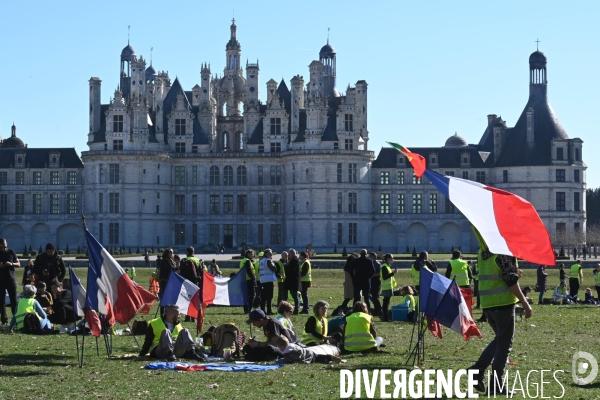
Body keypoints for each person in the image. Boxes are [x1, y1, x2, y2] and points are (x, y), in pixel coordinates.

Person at [467, 229, 532, 396]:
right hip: (503, 304)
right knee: (504, 345)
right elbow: (510, 281)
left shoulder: (484, 252)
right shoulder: (503, 252)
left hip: (488, 305)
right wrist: (525, 302)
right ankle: (494, 384)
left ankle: (477, 371)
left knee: (499, 341)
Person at [138, 304, 205, 361]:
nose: (180, 316)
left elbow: (183, 340)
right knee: (166, 331)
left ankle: (192, 352)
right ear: (172, 314)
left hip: (175, 350)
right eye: (178, 314)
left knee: (185, 330)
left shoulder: (178, 324)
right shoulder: (154, 323)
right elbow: (148, 341)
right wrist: (142, 353)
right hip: (161, 350)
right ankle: (169, 353)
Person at [275, 335, 341, 364]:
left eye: (279, 347)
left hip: (307, 357)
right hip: (309, 352)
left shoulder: (288, 352)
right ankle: (330, 357)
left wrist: (279, 360)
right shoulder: (293, 345)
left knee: (317, 359)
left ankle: (327, 359)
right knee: (319, 356)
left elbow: (288, 360)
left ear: (282, 346)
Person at [0, 238, 19, 325]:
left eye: (4, 245)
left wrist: (11, 264)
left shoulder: (11, 252)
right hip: (1, 279)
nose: (3, 247)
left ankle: (15, 319)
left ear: (6, 243)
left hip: (10, 278)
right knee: (1, 301)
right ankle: (4, 321)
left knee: (13, 300)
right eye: (1, 246)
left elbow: (18, 264)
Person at [158, 248, 177, 316]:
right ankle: (163, 312)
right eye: (171, 253)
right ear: (167, 253)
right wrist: (179, 266)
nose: (172, 254)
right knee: (164, 297)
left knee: (167, 297)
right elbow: (172, 268)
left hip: (168, 280)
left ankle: (166, 311)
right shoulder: (165, 260)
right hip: (164, 281)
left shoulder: (169, 260)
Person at [259, 249, 279, 314]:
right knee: (269, 297)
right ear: (266, 254)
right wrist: (274, 265)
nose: (271, 255)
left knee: (263, 297)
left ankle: (262, 310)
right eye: (270, 254)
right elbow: (274, 268)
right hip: (268, 280)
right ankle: (269, 310)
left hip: (263, 280)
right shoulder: (268, 261)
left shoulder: (261, 261)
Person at [380, 253, 398, 322]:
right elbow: (384, 277)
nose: (393, 259)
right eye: (392, 258)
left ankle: (386, 316)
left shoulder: (387, 266)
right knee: (386, 303)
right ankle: (385, 317)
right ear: (387, 259)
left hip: (388, 287)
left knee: (386, 302)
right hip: (386, 287)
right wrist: (393, 273)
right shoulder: (384, 266)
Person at [284, 249, 301, 314]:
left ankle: (297, 308)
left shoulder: (295, 260)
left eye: (289, 254)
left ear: (292, 253)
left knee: (294, 295)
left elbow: (291, 269)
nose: (288, 255)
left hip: (293, 281)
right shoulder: (293, 260)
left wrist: (285, 266)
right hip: (292, 281)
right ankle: (297, 308)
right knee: (294, 294)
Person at [368, 252, 382, 316]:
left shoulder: (377, 264)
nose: (368, 257)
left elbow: (380, 273)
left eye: (369, 256)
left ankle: (378, 310)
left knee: (375, 297)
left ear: (373, 257)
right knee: (371, 296)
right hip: (370, 282)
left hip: (376, 282)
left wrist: (373, 275)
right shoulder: (370, 263)